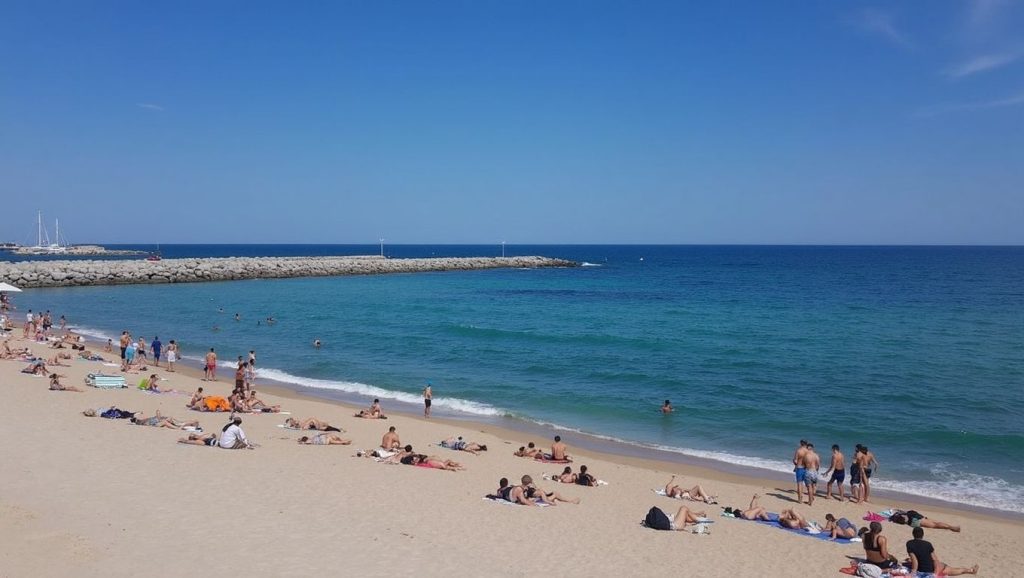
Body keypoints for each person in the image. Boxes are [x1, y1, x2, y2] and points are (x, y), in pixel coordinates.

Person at [906, 527, 979, 577]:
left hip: (923, 568)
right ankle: (970, 570)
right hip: (931, 568)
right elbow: (935, 560)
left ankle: (970, 570)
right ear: (922, 535)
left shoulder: (909, 543)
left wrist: (913, 572)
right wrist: (935, 573)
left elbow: (915, 560)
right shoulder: (928, 544)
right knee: (949, 569)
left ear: (913, 534)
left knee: (947, 570)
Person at [889, 510, 961, 533]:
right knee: (935, 525)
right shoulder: (899, 515)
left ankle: (951, 527)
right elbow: (906, 514)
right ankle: (952, 527)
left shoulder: (896, 519)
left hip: (914, 522)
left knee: (935, 524)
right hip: (916, 520)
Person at [792, 439, 809, 505]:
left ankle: (800, 499)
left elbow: (795, 460)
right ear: (806, 443)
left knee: (799, 484)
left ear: (801, 443)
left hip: (799, 468)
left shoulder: (798, 451)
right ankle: (810, 498)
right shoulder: (808, 451)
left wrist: (794, 463)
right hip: (806, 469)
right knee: (808, 484)